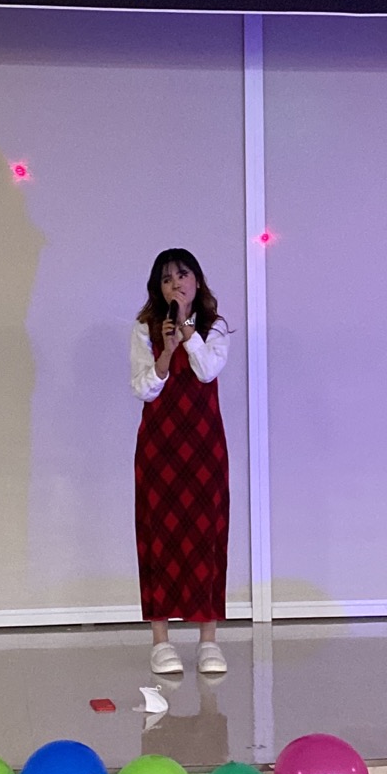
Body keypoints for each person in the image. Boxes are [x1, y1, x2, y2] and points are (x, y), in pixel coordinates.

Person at [130, 248, 230, 676]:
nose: (176, 284)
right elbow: (143, 388)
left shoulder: (214, 327)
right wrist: (166, 351)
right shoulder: (146, 328)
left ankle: (209, 639)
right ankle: (161, 640)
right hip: (160, 446)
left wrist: (189, 334)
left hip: (204, 445)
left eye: (182, 275)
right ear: (159, 287)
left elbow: (208, 371)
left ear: (197, 281)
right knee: (158, 535)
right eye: (167, 279)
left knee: (207, 534)